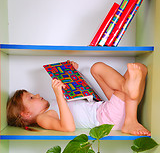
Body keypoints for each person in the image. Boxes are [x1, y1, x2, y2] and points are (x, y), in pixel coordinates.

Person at [6, 61, 151, 136]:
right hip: (107, 118)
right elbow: (68, 128)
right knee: (135, 74)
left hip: (106, 108)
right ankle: (130, 119)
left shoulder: (51, 107)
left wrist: (70, 73)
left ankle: (128, 90)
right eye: (31, 98)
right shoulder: (42, 119)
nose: (37, 95)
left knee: (99, 68)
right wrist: (59, 95)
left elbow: (79, 96)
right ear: (26, 114)